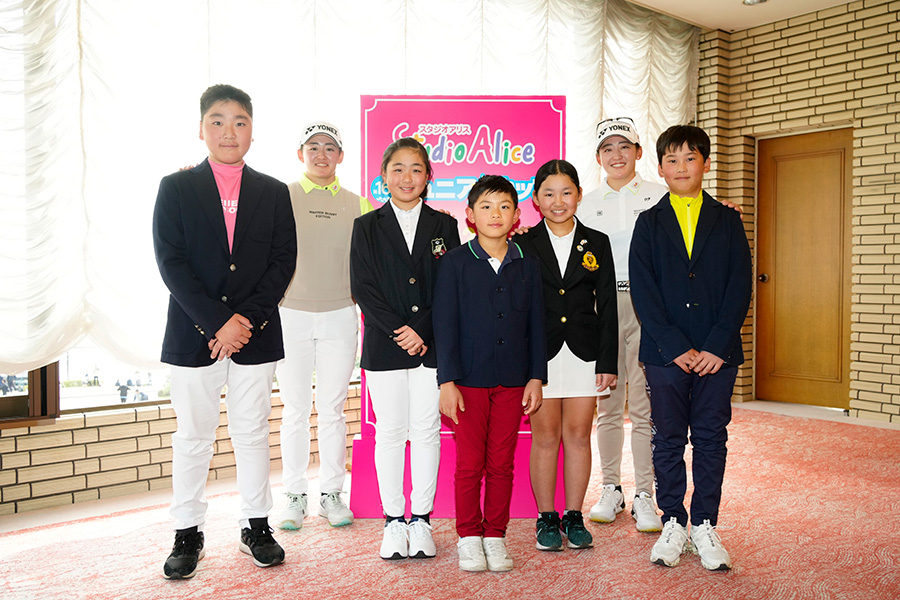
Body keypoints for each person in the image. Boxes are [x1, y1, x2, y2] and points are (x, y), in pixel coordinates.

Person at [152, 84, 297, 579]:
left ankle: (256, 525)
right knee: (193, 436)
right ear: (201, 129)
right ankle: (187, 532)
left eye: (239, 121)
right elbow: (170, 262)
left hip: (256, 333)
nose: (228, 131)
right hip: (194, 333)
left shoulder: (274, 192)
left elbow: (282, 262)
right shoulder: (175, 187)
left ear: (252, 130)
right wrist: (218, 322)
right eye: (217, 121)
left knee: (252, 432)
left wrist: (244, 322)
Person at [629, 124, 751, 571]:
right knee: (667, 438)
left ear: (706, 163)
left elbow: (739, 286)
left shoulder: (728, 219)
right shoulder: (648, 222)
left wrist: (717, 344)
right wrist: (674, 346)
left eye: (690, 158)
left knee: (711, 437)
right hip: (666, 353)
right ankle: (673, 521)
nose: (681, 167)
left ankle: (704, 522)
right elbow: (643, 290)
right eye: (672, 160)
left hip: (718, 352)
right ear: (660, 168)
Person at [349, 137, 460, 561]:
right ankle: (394, 520)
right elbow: (363, 287)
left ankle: (422, 519)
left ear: (428, 176)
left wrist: (422, 330)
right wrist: (401, 330)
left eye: (416, 169)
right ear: (384, 176)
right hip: (385, 344)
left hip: (431, 346)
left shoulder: (444, 226)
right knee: (391, 432)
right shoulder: (366, 226)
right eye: (398, 168)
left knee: (427, 430)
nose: (407, 177)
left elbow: (451, 287)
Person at [433, 174, 546, 572]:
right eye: (486, 206)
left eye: (504, 207)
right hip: (467, 381)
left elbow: (536, 324)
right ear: (470, 215)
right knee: (469, 465)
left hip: (513, 381)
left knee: (501, 463)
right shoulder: (454, 263)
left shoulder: (527, 264)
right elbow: (444, 325)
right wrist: (447, 382)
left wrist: (536, 377)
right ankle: (468, 535)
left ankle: (495, 534)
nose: (495, 214)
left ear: (516, 216)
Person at [274, 122, 371, 532]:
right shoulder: (281, 197)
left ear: (340, 156)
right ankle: (294, 495)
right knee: (295, 410)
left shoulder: (358, 203)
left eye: (330, 147)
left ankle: (332, 493)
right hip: (290, 313)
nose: (321, 154)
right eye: (313, 147)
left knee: (332, 410)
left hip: (340, 314)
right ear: (301, 154)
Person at [515, 160, 617, 552]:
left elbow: (608, 305)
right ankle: (546, 517)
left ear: (578, 194)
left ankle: (574, 515)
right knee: (544, 437)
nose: (558, 201)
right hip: (539, 356)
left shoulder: (597, 241)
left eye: (566, 192)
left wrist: (607, 362)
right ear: (536, 199)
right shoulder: (522, 243)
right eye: (549, 193)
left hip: (584, 354)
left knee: (577, 435)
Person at [578, 118, 667, 532]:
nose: (617, 155)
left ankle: (645, 492)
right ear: (599, 157)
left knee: (646, 406)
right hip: (602, 307)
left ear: (638, 152)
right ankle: (611, 487)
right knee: (609, 404)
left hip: (648, 306)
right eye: (608, 148)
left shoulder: (661, 195)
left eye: (624, 146)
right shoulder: (585, 203)